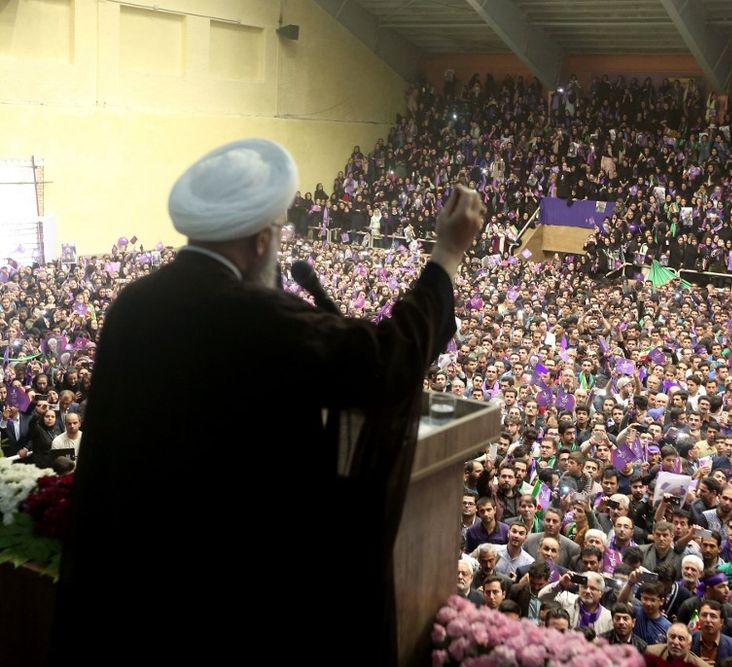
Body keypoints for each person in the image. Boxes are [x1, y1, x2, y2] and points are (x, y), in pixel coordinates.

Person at [52, 139, 484, 665]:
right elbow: (388, 362)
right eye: (279, 233)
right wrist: (447, 255)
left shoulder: (133, 305)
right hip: (225, 597)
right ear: (261, 241)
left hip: (132, 588)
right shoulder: (257, 317)